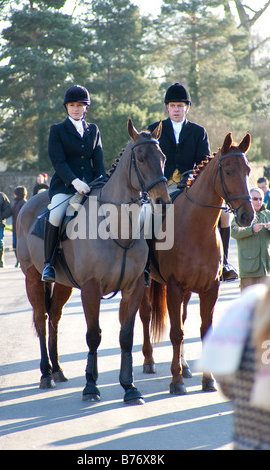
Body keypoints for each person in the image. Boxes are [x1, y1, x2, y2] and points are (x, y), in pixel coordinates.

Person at [147, 82, 237, 281]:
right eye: (172, 106)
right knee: (147, 215)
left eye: (180, 106)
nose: (176, 110)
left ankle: (225, 262)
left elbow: (204, 163)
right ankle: (146, 265)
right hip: (165, 187)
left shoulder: (198, 132)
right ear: (167, 108)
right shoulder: (154, 129)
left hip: (190, 186)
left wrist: (191, 179)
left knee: (225, 217)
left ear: (187, 108)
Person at [42, 85, 105, 282]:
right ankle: (49, 264)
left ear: (86, 108)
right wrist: (75, 181)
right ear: (66, 107)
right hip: (65, 186)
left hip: (92, 186)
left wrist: (102, 182)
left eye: (80, 105)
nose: (76, 108)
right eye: (72, 105)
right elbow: (58, 162)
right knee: (56, 215)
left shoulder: (93, 130)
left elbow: (99, 160)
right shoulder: (58, 130)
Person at [199, 279, 270, 450]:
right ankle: (149, 270)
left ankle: (224, 265)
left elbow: (226, 387)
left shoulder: (240, 340)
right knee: (154, 250)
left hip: (245, 441)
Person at [231, 187, 270, 291]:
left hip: (266, 268)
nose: (258, 202)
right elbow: (234, 232)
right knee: (248, 304)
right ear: (249, 199)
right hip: (249, 269)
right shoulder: (241, 214)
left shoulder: (268, 214)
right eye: (255, 199)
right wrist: (251, 230)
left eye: (261, 199)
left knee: (265, 306)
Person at [12, 186, 27, 267]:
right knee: (15, 245)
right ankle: (18, 260)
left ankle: (20, 261)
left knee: (20, 246)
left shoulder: (23, 203)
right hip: (15, 228)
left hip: (21, 229)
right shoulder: (15, 203)